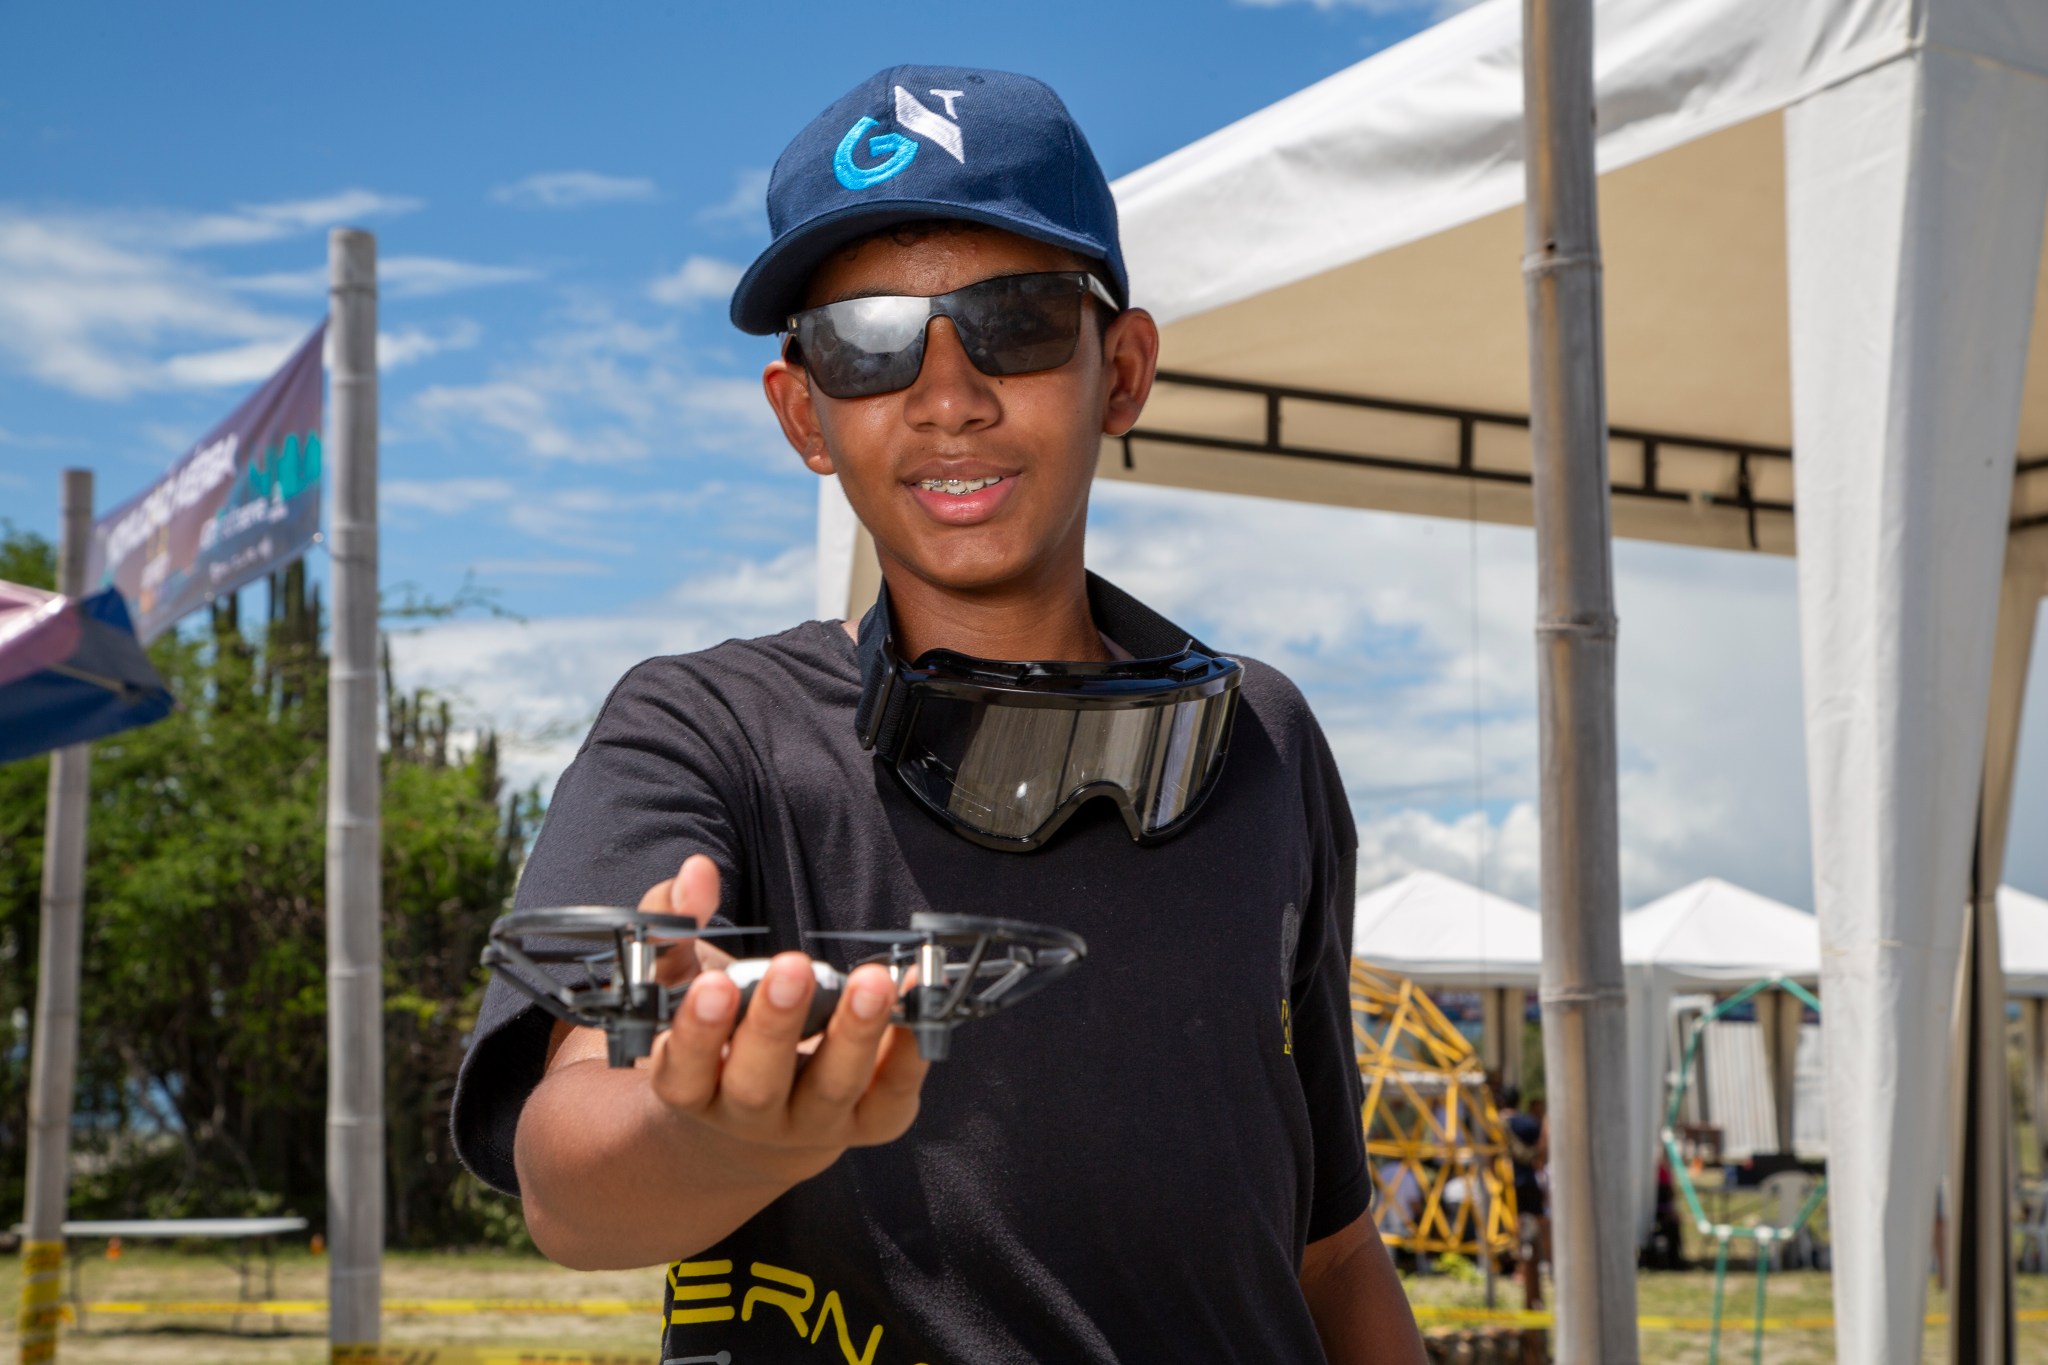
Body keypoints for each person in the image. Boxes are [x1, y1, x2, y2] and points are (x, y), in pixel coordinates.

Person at [452, 64, 1424, 1364]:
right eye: (869, 341)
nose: (948, 393)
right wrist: (710, 1132)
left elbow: (1333, 1244)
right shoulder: (707, 730)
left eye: (1017, 323)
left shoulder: (1265, 739)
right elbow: (564, 1174)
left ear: (1121, 370)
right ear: (805, 410)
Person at [1497, 1084, 1548, 1310]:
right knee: (1539, 1221)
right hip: (1529, 1178)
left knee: (1514, 1226)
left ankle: (1520, 1269)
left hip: (1506, 1180)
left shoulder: (1495, 1122)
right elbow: (1541, 1151)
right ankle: (1543, 1262)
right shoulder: (1529, 1122)